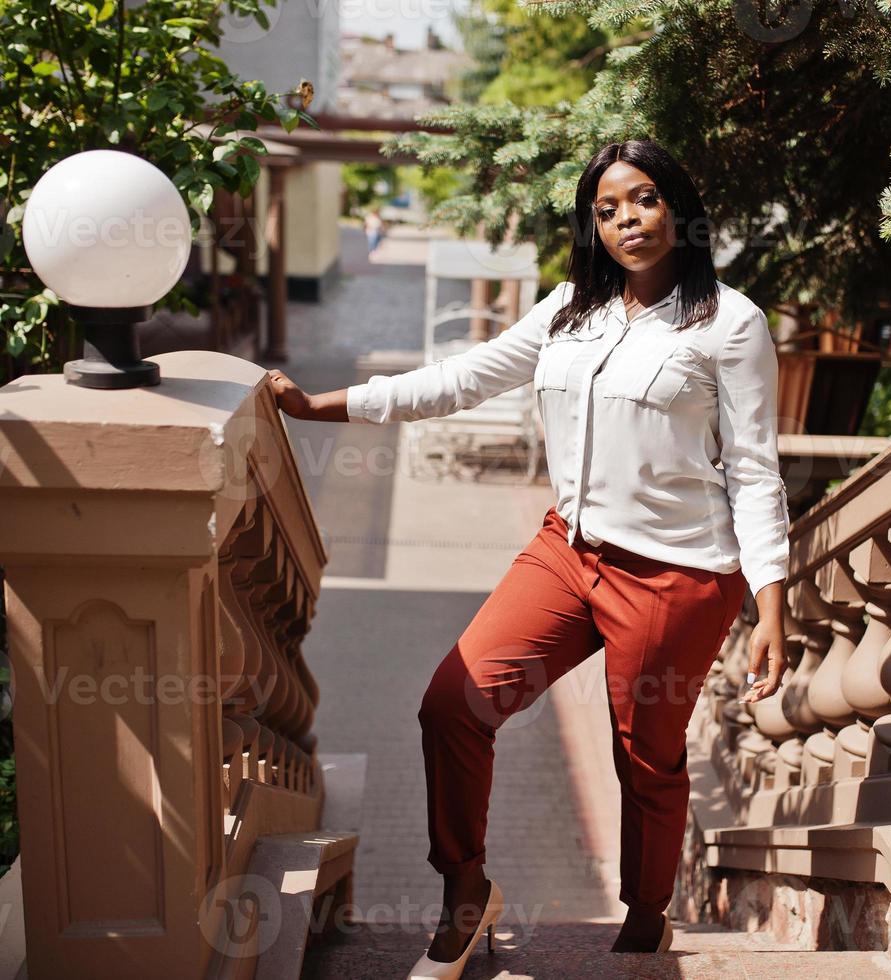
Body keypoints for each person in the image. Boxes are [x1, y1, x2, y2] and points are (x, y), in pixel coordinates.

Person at [268, 139, 790, 979]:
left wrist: (771, 599)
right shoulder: (567, 310)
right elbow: (459, 380)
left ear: (679, 209)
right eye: (607, 208)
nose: (627, 219)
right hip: (566, 550)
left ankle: (645, 921)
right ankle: (466, 892)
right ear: (592, 225)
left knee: (644, 756)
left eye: (645, 198)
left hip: (676, 572)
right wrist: (321, 405)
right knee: (452, 705)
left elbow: (755, 467)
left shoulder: (729, 323)